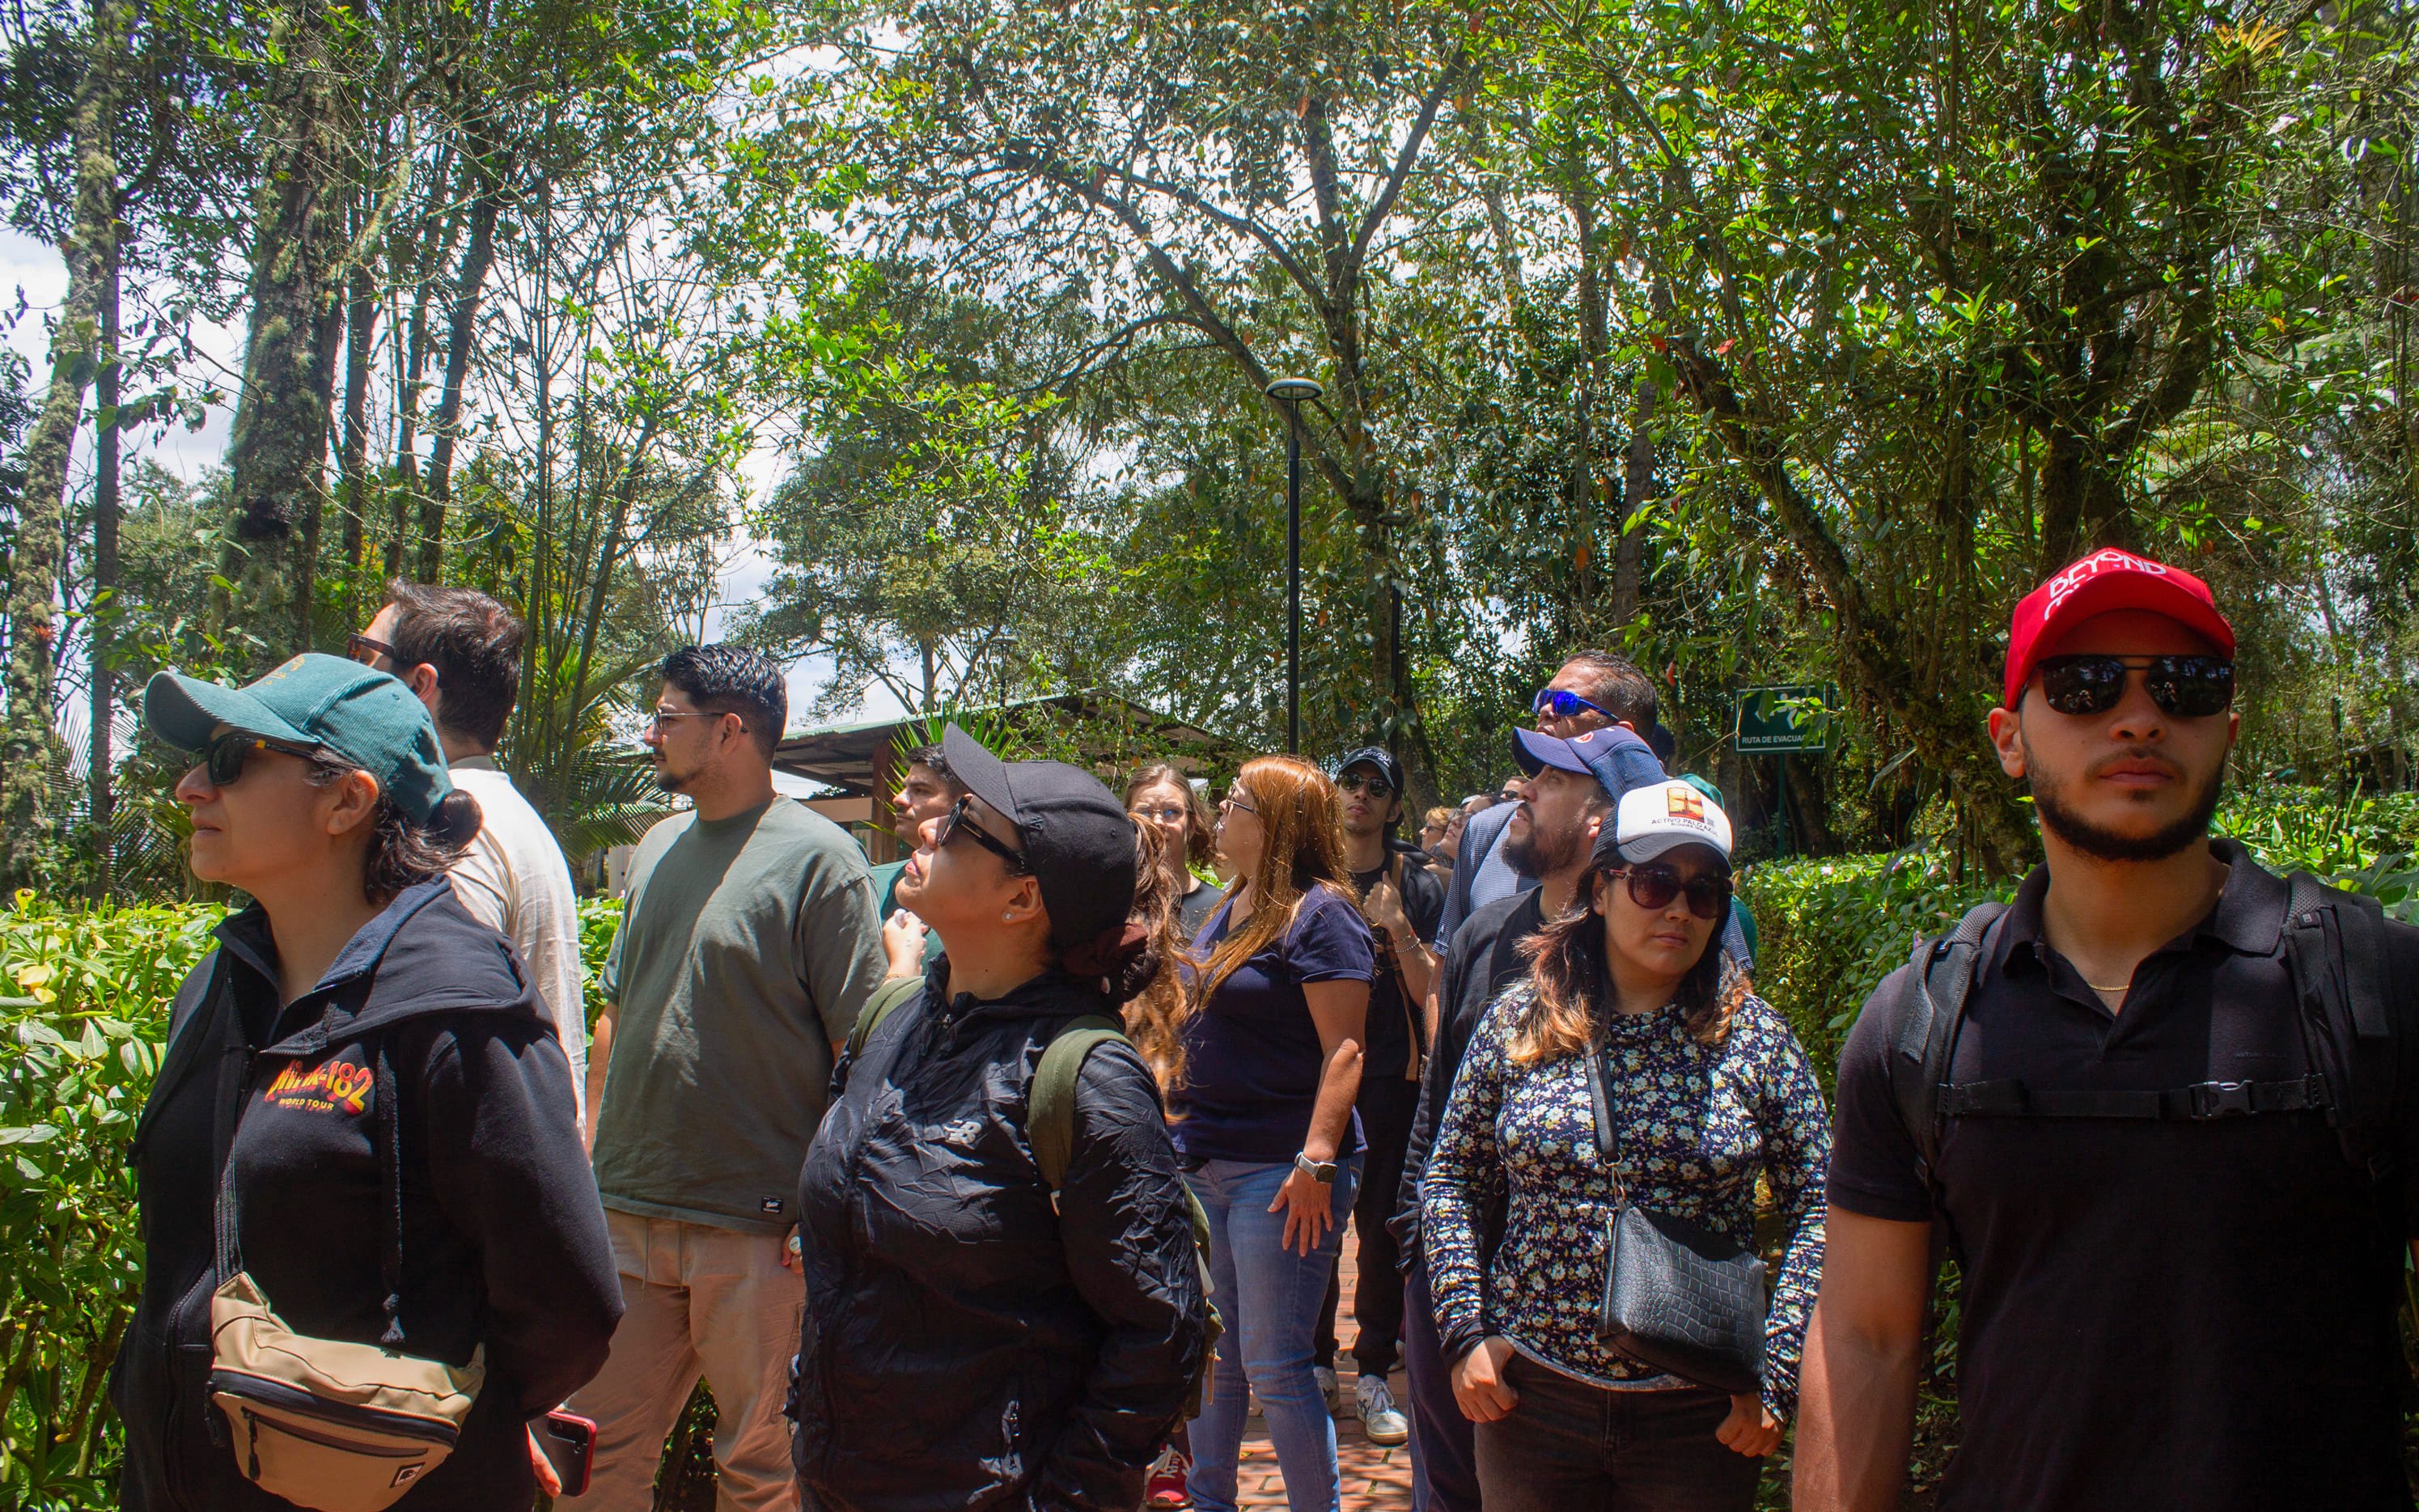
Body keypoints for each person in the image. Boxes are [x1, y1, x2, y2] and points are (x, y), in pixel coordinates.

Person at [1796, 549, 2419, 1512]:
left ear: (2227, 730)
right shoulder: (1919, 1025)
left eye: (2184, 685)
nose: (2138, 718)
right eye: (2083, 686)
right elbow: (1864, 1339)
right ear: (2008, 739)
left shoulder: (2373, 988)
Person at [113, 653, 621, 1510]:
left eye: (232, 760)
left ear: (346, 801)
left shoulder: (462, 1011)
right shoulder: (219, 986)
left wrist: (448, 1424)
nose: (191, 787)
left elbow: (564, 1302)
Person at [791, 726, 1210, 1512]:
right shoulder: (892, 1019)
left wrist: (1062, 1497)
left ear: (1022, 899)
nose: (926, 825)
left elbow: (1163, 1331)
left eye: (960, 825)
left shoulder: (1084, 1083)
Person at [1424, 780, 1830, 1512]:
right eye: (1654, 881)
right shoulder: (1520, 1023)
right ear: (1603, 889)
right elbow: (1450, 1174)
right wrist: (1465, 1328)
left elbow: (1822, 1206)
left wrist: (1777, 1368)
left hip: (1698, 1419)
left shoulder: (1758, 1039)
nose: (1678, 907)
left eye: (1704, 891)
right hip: (1533, 1402)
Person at [575, 645, 887, 1512]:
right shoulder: (655, 846)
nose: (651, 734)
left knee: (762, 1473)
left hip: (756, 1229)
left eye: (667, 717)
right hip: (626, 1212)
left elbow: (860, 1050)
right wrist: (594, 1148)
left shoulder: (821, 859)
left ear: (731, 728)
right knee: (589, 1454)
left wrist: (823, 1205)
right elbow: (615, 1007)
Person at [1391, 724, 1630, 1512]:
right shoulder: (1481, 937)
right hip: (1454, 1290)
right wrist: (1420, 1261)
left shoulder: (1654, 954)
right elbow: (1438, 1110)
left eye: (1550, 779)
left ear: (1600, 818)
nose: (1521, 788)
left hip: (1584, 1328)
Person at [1176, 756, 1374, 1512]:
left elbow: (1346, 1050)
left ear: (1279, 823)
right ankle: (1210, 1499)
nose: (1220, 812)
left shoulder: (1323, 913)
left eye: (1236, 802)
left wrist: (1317, 1159)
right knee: (1217, 1353)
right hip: (1208, 1159)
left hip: (1282, 1172)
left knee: (1276, 1363)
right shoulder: (1231, 902)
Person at [353, 581, 591, 1135]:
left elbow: (436, 1036)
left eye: (365, 657)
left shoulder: (451, 828)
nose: (350, 680)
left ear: (419, 685)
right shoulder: (509, 815)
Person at [1310, 746, 1441, 1444]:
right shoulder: (1310, 877)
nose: (1359, 794)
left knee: (1384, 1224)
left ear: (1394, 806)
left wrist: (1396, 925)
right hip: (1320, 1073)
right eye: (1349, 782)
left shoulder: (1417, 883)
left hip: (1393, 1075)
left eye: (1375, 786)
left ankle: (1371, 1371)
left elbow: (1433, 997)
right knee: (1316, 1220)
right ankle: (1316, 1365)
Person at [1434, 652, 1665, 949]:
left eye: (1566, 703)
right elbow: (1443, 984)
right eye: (1544, 698)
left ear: (1622, 735)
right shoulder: (1486, 830)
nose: (1545, 710)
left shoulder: (1673, 844)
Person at [867, 743, 962, 969]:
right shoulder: (871, 884)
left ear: (964, 805)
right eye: (905, 788)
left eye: (920, 791)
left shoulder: (990, 895)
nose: (898, 799)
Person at [1127, 760, 1226, 939]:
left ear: (1192, 824)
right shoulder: (1111, 901)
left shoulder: (1219, 907)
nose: (1157, 822)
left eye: (1171, 811)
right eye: (1145, 812)